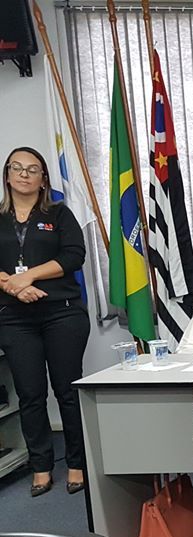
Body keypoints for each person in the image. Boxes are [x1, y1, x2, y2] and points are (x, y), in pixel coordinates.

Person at [0, 147, 89, 497]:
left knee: (67, 392)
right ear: (7, 176)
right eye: (17, 168)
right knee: (30, 394)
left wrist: (29, 276)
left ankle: (77, 463)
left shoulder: (59, 213)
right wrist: (14, 287)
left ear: (43, 179)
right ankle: (41, 465)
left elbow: (74, 255)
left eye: (32, 169)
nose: (24, 174)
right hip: (14, 318)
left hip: (62, 313)